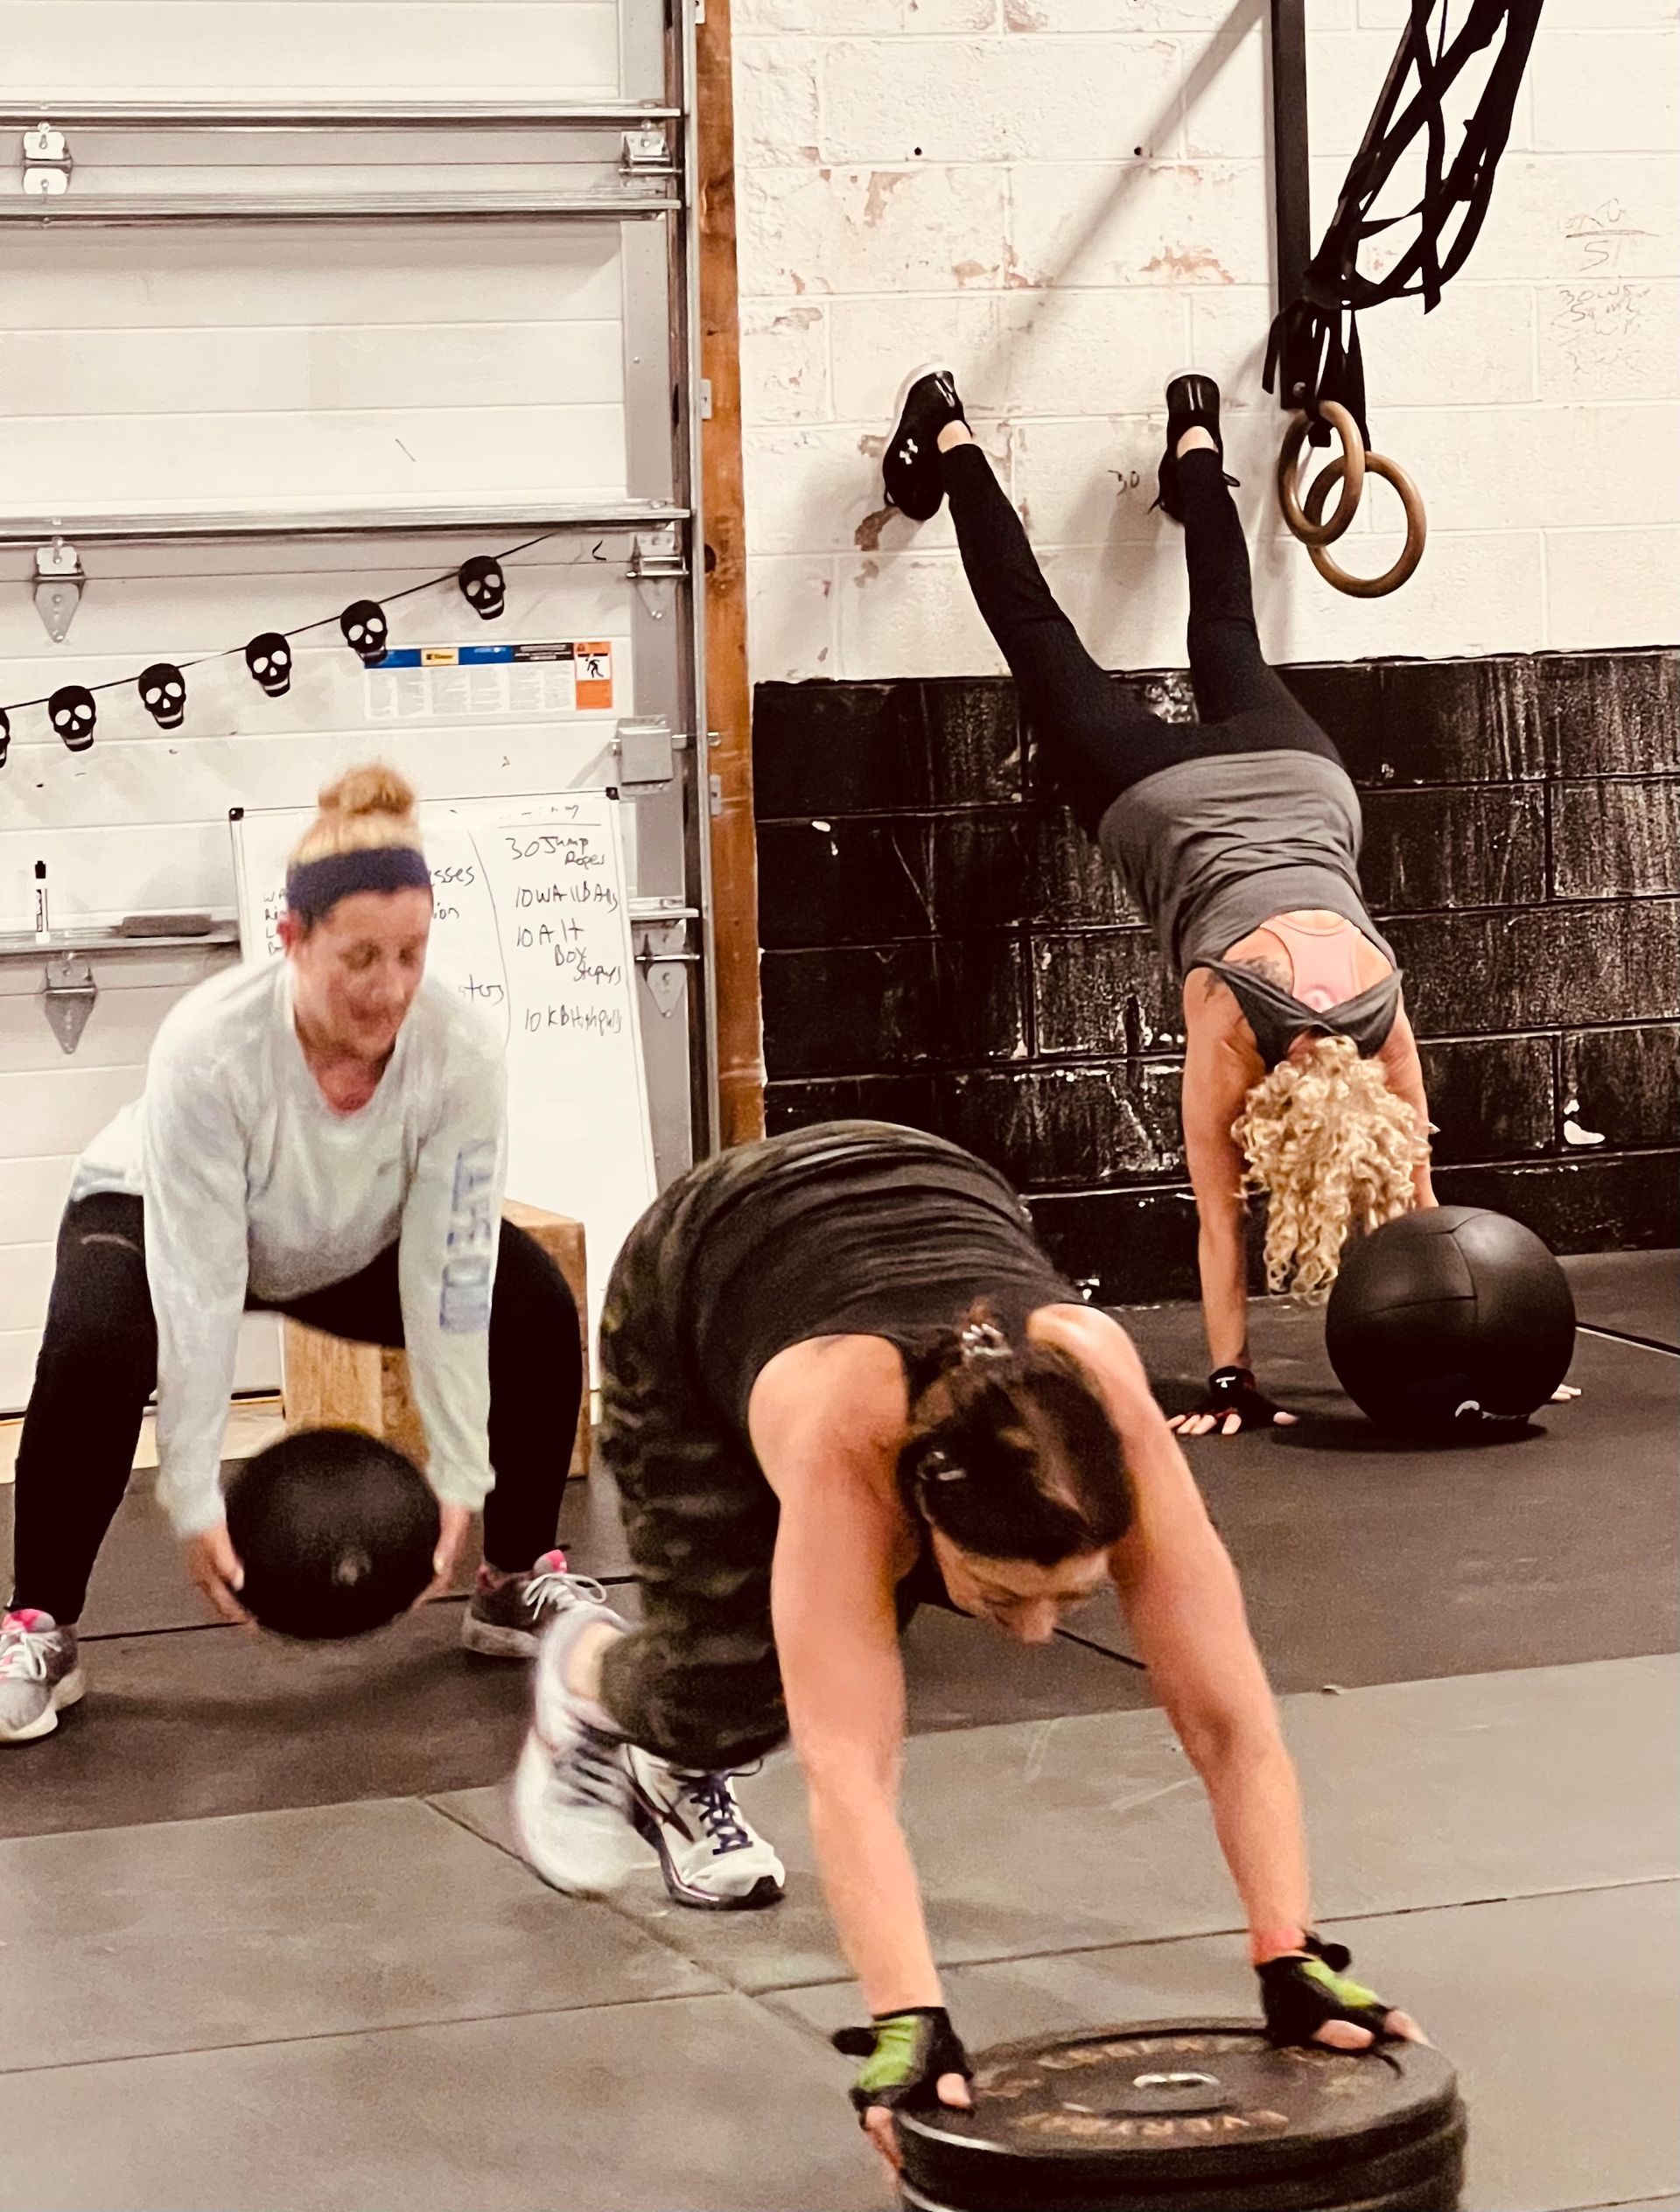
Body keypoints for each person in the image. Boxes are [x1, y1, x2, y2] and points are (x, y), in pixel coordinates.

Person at [508, 1121, 1424, 2167]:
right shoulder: (842, 1435)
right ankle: (584, 1674)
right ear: (925, 1518)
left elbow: (1229, 1719)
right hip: (702, 1268)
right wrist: (909, 2019)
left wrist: (1290, 1953)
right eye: (1002, 1595)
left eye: (1068, 1597)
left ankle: (677, 1745)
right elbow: (850, 1771)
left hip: (939, 1182)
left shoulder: (1106, 1409)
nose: (1036, 1633)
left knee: (839, 1641)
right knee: (732, 1688)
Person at [879, 368, 1437, 1436]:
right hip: (1159, 803)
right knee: (1035, 632)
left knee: (1227, 630)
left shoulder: (1381, 1003)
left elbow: (1422, 1191)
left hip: (1302, 774)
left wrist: (1497, 1343)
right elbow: (1233, 1221)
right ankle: (948, 429)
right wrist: (1232, 1380)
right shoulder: (1233, 1021)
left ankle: (1194, 440)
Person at [2, 765, 593, 1746]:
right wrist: (191, 1495)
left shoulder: (462, 1048)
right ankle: (40, 1625)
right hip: (157, 1207)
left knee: (527, 1298)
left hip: (346, 1232)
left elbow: (452, 1273)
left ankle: (516, 1577)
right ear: (292, 938)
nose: (391, 986)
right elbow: (196, 1283)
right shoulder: (210, 1045)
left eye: (411, 953)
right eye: (360, 955)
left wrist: (458, 1470)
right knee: (96, 1341)